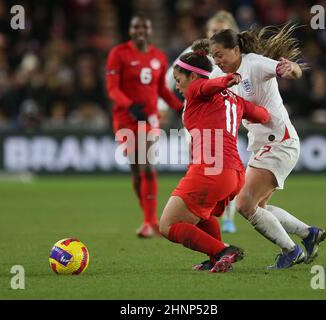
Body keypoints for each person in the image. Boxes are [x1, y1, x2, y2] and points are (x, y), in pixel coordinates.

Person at [209, 24, 326, 269]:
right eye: (214, 55)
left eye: (220, 54)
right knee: (259, 207)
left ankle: (291, 251)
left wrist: (291, 69)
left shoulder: (254, 63)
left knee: (244, 204)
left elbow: (293, 71)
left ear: (236, 50)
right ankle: (308, 234)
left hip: (279, 143)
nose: (217, 60)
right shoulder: (221, 76)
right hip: (267, 145)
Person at [159, 41, 270, 272]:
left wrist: (224, 81)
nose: (178, 87)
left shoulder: (198, 89)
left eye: (178, 80)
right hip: (235, 174)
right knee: (201, 214)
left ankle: (222, 250)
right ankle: (216, 258)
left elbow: (205, 88)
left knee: (168, 225)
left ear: (192, 77)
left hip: (211, 170)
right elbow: (262, 115)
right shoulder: (234, 99)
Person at [162, 10, 241, 233]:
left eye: (220, 31)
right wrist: (161, 106)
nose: (215, 34)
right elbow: (171, 75)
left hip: (222, 117)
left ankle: (227, 218)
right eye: (212, 31)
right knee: (201, 162)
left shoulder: (238, 54)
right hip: (196, 116)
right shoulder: (196, 52)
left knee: (226, 164)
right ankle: (202, 208)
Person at [106, 14, 183, 238]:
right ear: (130, 30)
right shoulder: (118, 54)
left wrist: (178, 107)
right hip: (125, 118)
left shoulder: (158, 56)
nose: (140, 30)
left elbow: (162, 90)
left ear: (150, 31)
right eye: (136, 26)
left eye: (144, 27)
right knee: (137, 171)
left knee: (147, 165)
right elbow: (112, 88)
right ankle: (149, 218)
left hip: (149, 119)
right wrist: (129, 105)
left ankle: (150, 222)